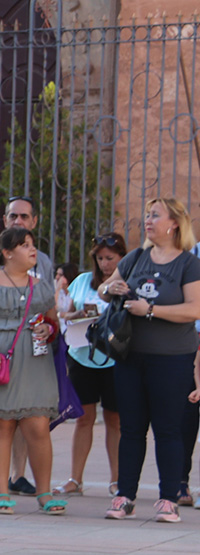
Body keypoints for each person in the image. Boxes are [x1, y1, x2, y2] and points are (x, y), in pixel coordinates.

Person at [98, 198, 200, 522]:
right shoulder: (136, 257)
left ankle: (168, 497)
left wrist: (151, 310)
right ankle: (125, 495)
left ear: (174, 224)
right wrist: (110, 287)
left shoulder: (188, 263)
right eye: (147, 214)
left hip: (172, 359)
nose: (148, 220)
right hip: (130, 356)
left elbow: (194, 309)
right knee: (131, 429)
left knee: (168, 429)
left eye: (155, 215)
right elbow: (103, 288)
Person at [0, 227, 64, 516]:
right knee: (1, 426)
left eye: (33, 244)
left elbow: (52, 321)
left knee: (38, 426)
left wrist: (48, 329)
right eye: (25, 245)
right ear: (7, 253)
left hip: (34, 362)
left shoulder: (41, 286)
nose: (33, 250)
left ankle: (44, 492)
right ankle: (1, 492)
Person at [0, 196, 53, 497]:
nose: (18, 221)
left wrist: (49, 329)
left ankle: (20, 474)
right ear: (4, 219)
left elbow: (50, 313)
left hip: (32, 355)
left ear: (33, 221)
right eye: (12, 216)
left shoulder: (42, 262)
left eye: (24, 217)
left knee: (31, 418)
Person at [57, 233, 125, 498]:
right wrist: (78, 314)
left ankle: (117, 480)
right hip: (82, 356)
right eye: (100, 258)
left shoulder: (125, 283)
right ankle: (76, 479)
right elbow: (65, 313)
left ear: (122, 258)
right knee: (83, 419)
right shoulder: (84, 280)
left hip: (114, 359)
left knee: (114, 420)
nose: (105, 264)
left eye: (110, 258)